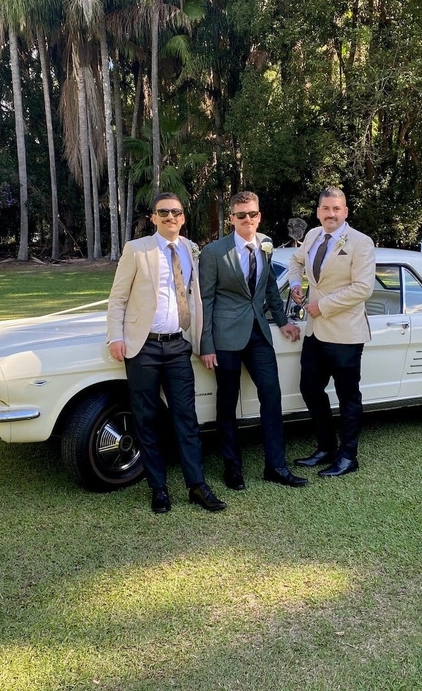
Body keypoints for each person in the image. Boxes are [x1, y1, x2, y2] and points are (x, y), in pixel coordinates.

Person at [106, 192, 226, 514]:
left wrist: (201, 341)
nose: (171, 216)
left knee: (186, 417)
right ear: (154, 217)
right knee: (146, 419)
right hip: (142, 346)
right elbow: (117, 298)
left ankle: (197, 485)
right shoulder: (137, 250)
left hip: (177, 346)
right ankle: (158, 488)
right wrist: (115, 337)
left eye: (176, 212)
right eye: (164, 212)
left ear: (183, 217)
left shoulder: (189, 250)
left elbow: (197, 298)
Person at [199, 191, 307, 491]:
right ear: (231, 218)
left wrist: (283, 321)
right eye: (241, 215)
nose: (248, 219)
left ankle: (276, 466)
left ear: (259, 216)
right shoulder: (213, 252)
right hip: (225, 336)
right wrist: (206, 345)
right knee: (227, 402)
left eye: (253, 214)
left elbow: (270, 287)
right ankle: (232, 468)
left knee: (271, 397)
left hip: (259, 333)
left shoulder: (267, 245)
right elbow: (205, 300)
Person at [287, 187, 375, 477]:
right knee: (310, 389)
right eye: (326, 208)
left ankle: (348, 457)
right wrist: (296, 284)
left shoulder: (361, 243)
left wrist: (321, 305)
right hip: (315, 333)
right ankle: (326, 447)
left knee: (348, 396)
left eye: (337, 209)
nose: (331, 214)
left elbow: (363, 288)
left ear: (345, 212)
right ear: (318, 212)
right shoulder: (312, 235)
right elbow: (295, 261)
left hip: (345, 333)